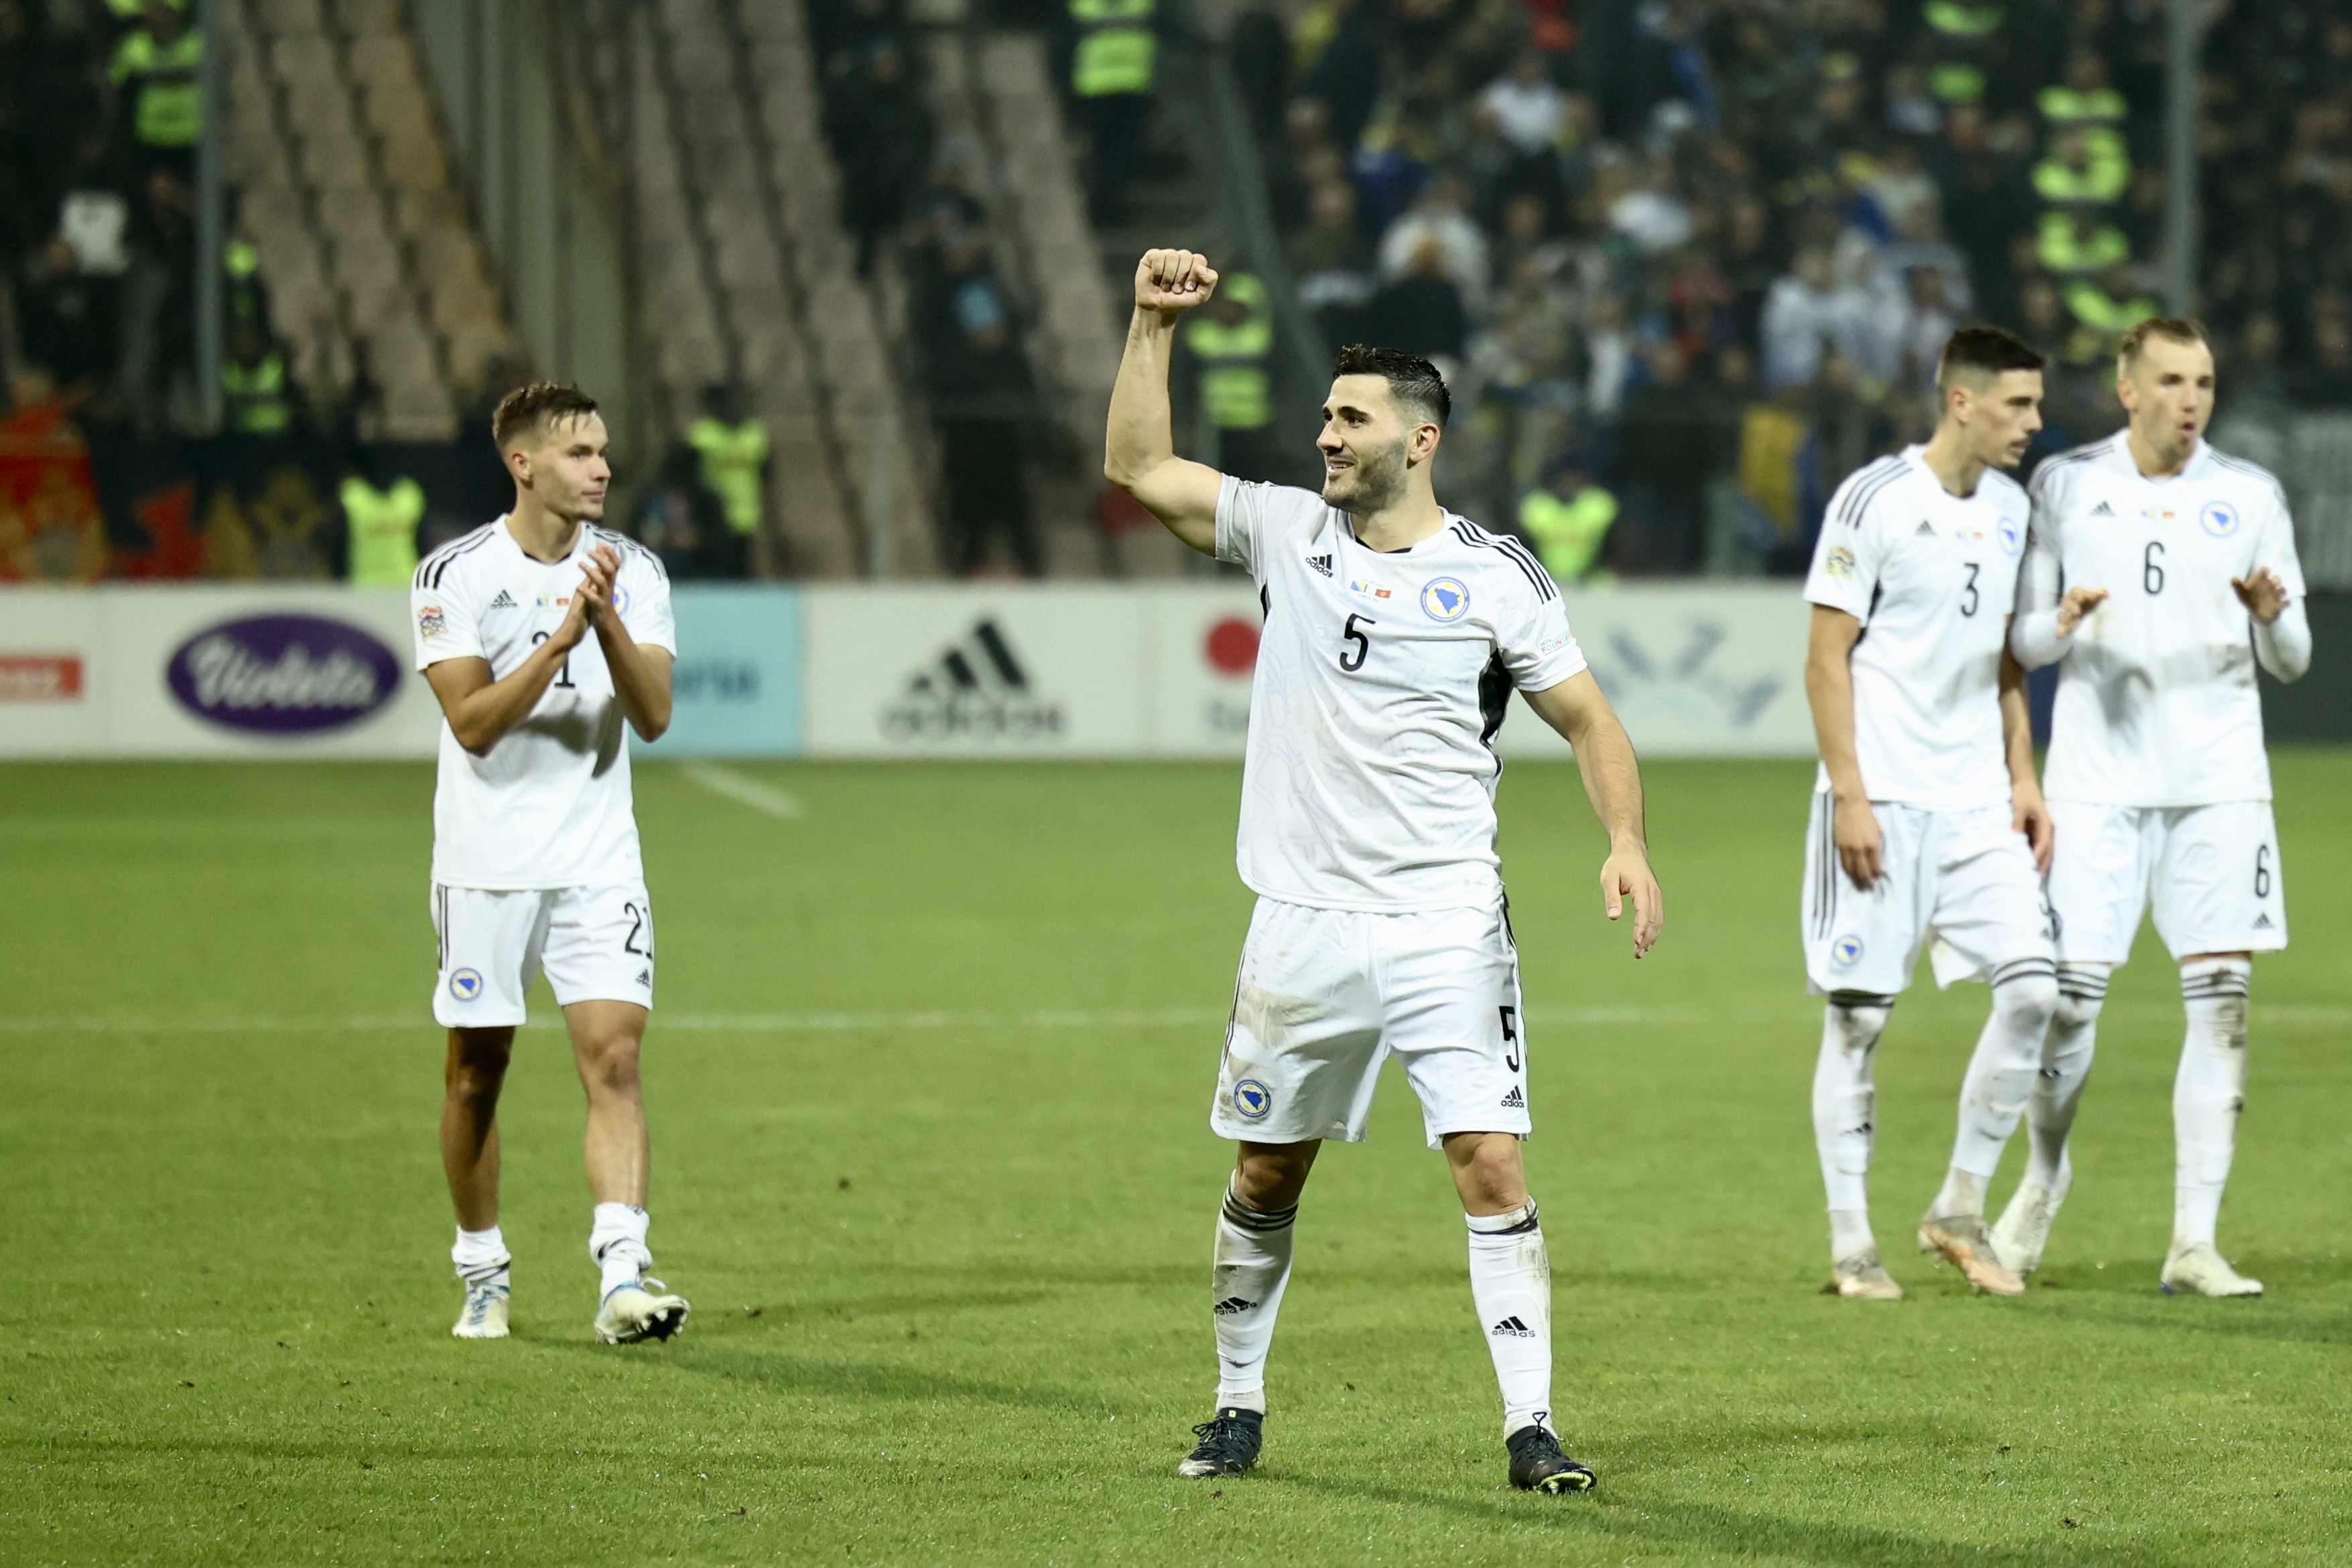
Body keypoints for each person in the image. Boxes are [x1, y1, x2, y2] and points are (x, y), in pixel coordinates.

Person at [1104, 249, 1664, 1494]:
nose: (1325, 435)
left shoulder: (1495, 575)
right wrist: (1149, 327)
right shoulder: (1285, 530)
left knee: (1492, 1163)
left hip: (1445, 918)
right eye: (1324, 415)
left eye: (1349, 419)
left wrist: (1623, 842)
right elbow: (1140, 468)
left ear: (1420, 441)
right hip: (1301, 919)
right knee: (1265, 1171)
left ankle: (1532, 1430)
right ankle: (1235, 1406)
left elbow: (1591, 722)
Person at [1998, 318, 2310, 1297]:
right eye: (2172, 380)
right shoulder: (2064, 484)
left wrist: (2270, 618)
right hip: (2096, 783)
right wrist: (2055, 625)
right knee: (2065, 1007)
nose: (2191, 400)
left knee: (2220, 1008)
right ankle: (2043, 1179)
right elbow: (2024, 642)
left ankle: (2192, 1241)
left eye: (2204, 382)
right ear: (2126, 388)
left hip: (2219, 785)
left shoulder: (2248, 494)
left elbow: (2293, 658)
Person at [408, 382, 690, 1345]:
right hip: (486, 864)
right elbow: (474, 725)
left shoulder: (636, 571)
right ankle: (481, 1265)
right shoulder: (454, 574)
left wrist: (604, 622)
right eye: (578, 454)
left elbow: (652, 717)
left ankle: (622, 1271)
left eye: (605, 451)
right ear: (522, 464)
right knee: (476, 1073)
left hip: (596, 857)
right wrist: (560, 638)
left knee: (614, 1058)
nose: (602, 468)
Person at [1800, 327, 2061, 1303]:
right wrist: (1852, 796)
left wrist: (2021, 777)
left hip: (1974, 805)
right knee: (1860, 1024)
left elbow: (2003, 658)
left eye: (2035, 406)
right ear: (1961, 401)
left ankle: (1957, 1204)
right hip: (1882, 801)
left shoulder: (2008, 509)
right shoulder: (1875, 499)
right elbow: (1826, 657)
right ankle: (1851, 1243)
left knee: (2035, 992)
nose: (2032, 424)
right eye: (2017, 405)